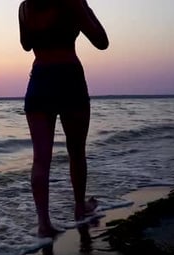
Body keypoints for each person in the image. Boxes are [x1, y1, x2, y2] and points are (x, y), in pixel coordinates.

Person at [19, 0, 109, 237]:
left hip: (39, 81)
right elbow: (102, 42)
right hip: (69, 79)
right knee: (76, 151)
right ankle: (80, 208)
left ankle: (44, 224)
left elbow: (26, 45)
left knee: (40, 159)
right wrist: (86, 8)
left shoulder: (25, 7)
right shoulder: (72, 2)